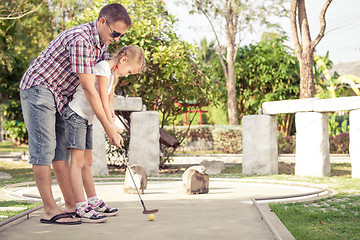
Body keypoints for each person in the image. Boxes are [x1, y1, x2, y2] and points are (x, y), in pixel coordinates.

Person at [19, 3, 131, 225]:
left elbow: (103, 88)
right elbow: (89, 89)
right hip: (40, 88)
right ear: (102, 22)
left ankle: (72, 205)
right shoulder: (81, 39)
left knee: (61, 153)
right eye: (115, 33)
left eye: (121, 36)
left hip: (61, 97)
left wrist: (111, 120)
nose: (117, 39)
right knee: (44, 149)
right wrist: (109, 128)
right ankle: (50, 210)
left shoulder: (102, 45)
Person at [63, 45, 145, 223]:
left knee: (88, 162)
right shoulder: (102, 68)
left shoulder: (112, 75)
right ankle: (81, 207)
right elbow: (99, 98)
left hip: (87, 118)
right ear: (123, 59)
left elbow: (108, 103)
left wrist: (113, 125)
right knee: (77, 162)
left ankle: (92, 201)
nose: (127, 74)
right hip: (76, 114)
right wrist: (110, 129)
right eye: (129, 70)